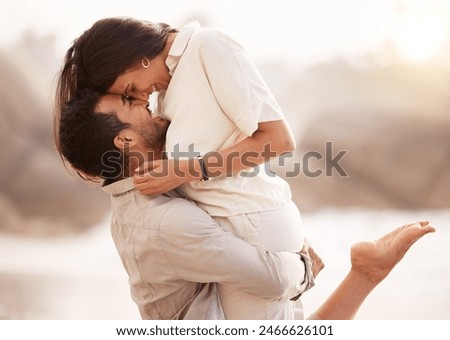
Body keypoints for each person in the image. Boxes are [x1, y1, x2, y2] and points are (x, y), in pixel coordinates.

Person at [54, 90, 435, 320]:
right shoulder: (165, 219)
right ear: (123, 142)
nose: (149, 104)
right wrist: (303, 266)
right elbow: (272, 279)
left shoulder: (149, 199)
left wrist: (365, 275)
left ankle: (369, 272)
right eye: (131, 103)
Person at [56, 17, 305, 320]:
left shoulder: (207, 47)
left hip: (249, 223)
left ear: (137, 58)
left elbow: (278, 140)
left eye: (131, 90)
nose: (141, 98)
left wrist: (185, 171)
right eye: (130, 96)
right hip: (236, 228)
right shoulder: (170, 85)